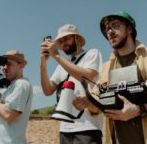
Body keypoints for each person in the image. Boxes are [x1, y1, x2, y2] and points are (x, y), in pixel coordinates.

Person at [40, 24, 103, 144]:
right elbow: (47, 91)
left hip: (87, 126)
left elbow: (86, 76)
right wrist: (43, 63)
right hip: (65, 129)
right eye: (61, 41)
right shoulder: (62, 64)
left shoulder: (92, 53)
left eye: (67, 38)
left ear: (77, 39)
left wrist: (56, 55)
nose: (64, 43)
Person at [95, 11, 147, 144]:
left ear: (129, 29)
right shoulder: (107, 68)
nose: (110, 31)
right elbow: (95, 101)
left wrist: (138, 110)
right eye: (107, 29)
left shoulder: (145, 59)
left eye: (115, 25)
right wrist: (87, 102)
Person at [0, 50, 33, 144]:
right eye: (4, 64)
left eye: (9, 64)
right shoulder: (13, 86)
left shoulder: (21, 84)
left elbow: (9, 115)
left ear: (21, 65)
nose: (4, 67)